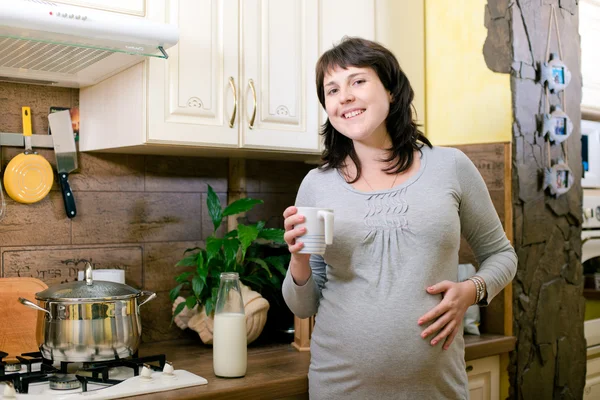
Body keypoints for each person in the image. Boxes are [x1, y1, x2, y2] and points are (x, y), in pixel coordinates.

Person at [281, 37, 517, 399]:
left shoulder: (450, 167)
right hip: (339, 386)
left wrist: (471, 292)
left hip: (437, 388)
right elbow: (304, 305)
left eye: (358, 81)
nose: (344, 96)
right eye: (332, 89)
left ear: (391, 91)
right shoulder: (317, 185)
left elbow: (503, 255)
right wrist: (298, 259)